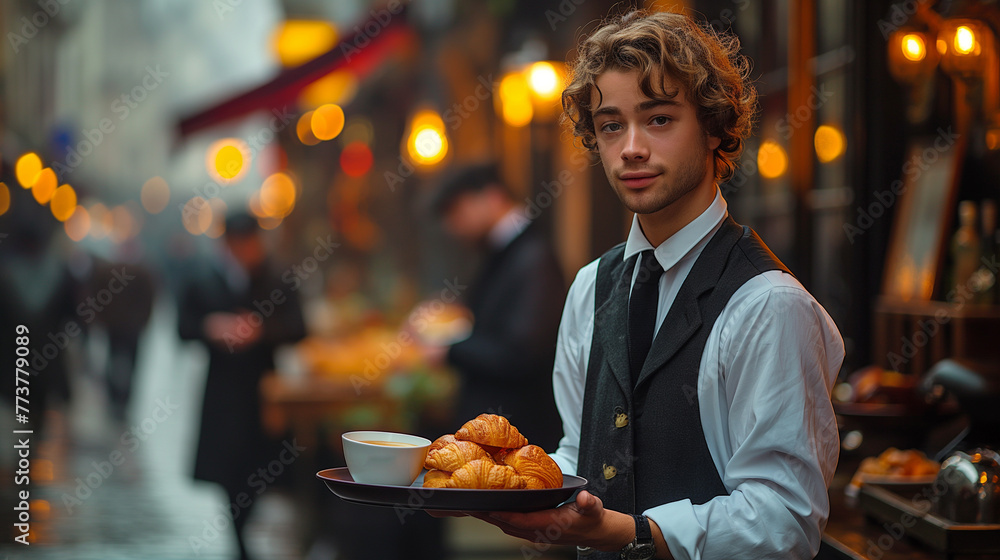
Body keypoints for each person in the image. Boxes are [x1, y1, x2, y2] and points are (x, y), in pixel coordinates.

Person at [474, 10, 845, 560]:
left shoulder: (768, 305)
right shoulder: (591, 287)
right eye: (610, 124)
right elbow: (580, 450)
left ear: (715, 126)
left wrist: (633, 534)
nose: (631, 148)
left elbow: (785, 520)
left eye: (659, 119)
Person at [178, 212, 306, 560]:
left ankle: (244, 534)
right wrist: (211, 328)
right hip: (221, 389)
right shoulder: (203, 276)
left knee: (264, 466)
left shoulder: (277, 277)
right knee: (228, 471)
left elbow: (299, 327)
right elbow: (183, 327)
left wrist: (262, 331)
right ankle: (239, 541)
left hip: (264, 390)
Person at [427, 163, 565, 450]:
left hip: (517, 437)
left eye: (457, 211)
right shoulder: (504, 250)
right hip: (494, 430)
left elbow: (522, 353)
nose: (453, 226)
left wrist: (448, 349)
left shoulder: (532, 256)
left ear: (492, 197)